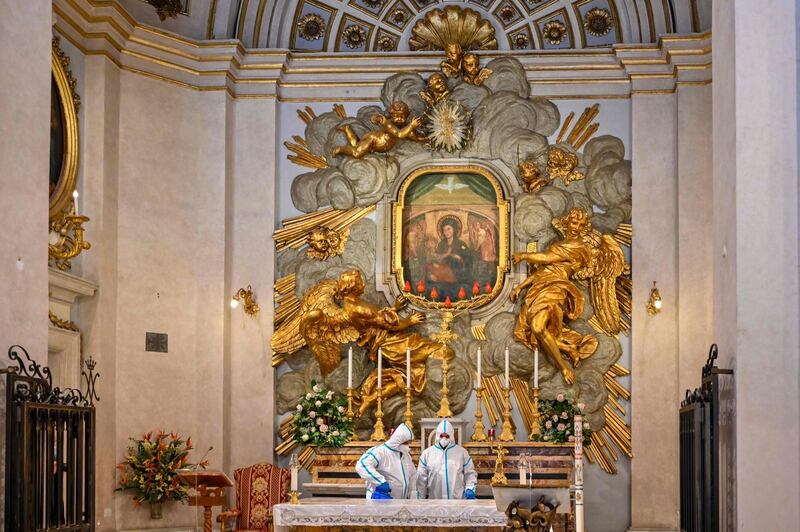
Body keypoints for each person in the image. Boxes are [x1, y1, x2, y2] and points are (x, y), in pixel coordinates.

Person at [416, 419, 478, 500]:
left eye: (447, 436)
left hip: (457, 501)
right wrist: (420, 500)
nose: (444, 438)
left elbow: (470, 474)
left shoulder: (462, 453)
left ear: (451, 436)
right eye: (441, 436)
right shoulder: (427, 454)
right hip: (434, 502)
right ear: (438, 435)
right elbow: (421, 480)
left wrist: (470, 488)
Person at [356, 423, 416, 500]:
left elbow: (412, 476)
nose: (408, 445)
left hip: (401, 501)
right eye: (406, 443)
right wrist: (381, 482)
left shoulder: (406, 456)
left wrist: (413, 496)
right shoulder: (380, 451)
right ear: (398, 440)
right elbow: (362, 465)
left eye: (409, 443)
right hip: (379, 500)